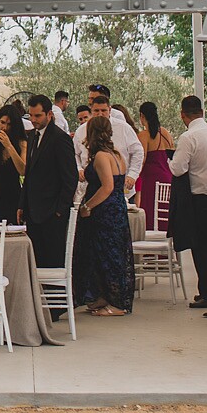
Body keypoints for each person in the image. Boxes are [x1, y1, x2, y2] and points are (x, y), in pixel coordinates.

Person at [170, 95, 207, 309]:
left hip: (200, 196)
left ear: (183, 115)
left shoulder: (188, 137)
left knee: (201, 246)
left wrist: (170, 160)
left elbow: (178, 168)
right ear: (202, 113)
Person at [74, 116, 133, 317]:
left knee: (109, 254)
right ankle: (104, 296)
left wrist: (87, 207)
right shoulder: (116, 154)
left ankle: (117, 303)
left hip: (104, 212)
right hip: (116, 209)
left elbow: (107, 187)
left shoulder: (101, 156)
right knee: (106, 253)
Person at [18, 95, 78, 275]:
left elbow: (70, 177)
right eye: (31, 116)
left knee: (53, 262)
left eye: (38, 116)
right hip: (34, 212)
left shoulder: (60, 139)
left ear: (49, 114)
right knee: (37, 263)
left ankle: (57, 302)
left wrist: (60, 209)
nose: (34, 120)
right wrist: (22, 204)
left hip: (53, 214)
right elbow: (29, 174)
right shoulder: (32, 137)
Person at [80, 96, 144, 190]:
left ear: (109, 110)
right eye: (96, 111)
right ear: (91, 110)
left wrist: (132, 175)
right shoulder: (81, 130)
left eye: (103, 110)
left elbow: (138, 151)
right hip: (90, 185)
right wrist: (79, 169)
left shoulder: (123, 128)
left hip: (121, 186)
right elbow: (74, 153)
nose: (100, 114)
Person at [131, 101, 174, 233]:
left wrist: (133, 175)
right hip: (167, 177)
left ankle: (151, 246)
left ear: (142, 116)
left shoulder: (144, 135)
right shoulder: (165, 133)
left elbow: (141, 159)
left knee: (150, 210)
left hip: (151, 179)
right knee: (165, 211)